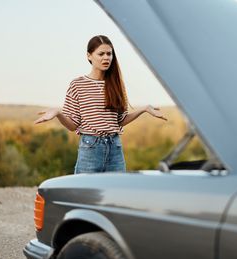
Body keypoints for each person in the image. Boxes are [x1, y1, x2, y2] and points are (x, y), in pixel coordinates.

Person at [34, 35, 167, 174]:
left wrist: (144, 109)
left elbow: (119, 121)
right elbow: (73, 125)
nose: (106, 58)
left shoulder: (116, 85)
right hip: (91, 148)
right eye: (101, 54)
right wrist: (58, 113)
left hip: (115, 148)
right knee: (86, 193)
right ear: (89, 56)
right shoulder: (77, 85)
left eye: (109, 54)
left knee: (116, 192)